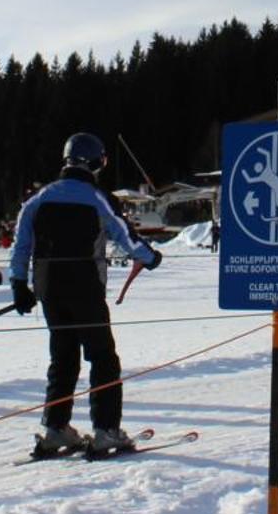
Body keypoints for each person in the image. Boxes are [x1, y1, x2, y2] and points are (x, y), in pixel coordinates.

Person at [9, 133, 163, 459]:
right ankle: (106, 431)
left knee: (63, 357)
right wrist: (150, 258)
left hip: (49, 288)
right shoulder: (97, 197)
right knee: (103, 357)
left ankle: (55, 429)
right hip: (86, 288)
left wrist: (19, 285)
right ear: (95, 162)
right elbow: (126, 237)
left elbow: (20, 246)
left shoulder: (39, 199)